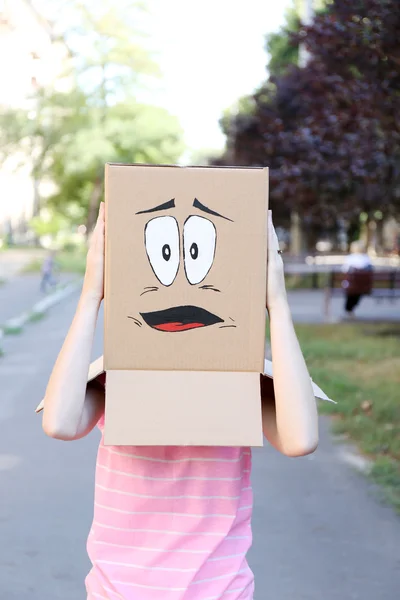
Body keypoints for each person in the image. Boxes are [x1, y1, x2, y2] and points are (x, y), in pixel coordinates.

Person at [41, 203, 319, 600]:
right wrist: (92, 294)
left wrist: (276, 301)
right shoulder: (114, 379)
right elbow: (59, 423)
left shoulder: (242, 384)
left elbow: (300, 440)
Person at [342, 240, 373, 317]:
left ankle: (348, 309)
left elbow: (344, 270)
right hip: (364, 286)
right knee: (357, 290)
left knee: (351, 289)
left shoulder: (350, 258)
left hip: (351, 285)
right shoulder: (367, 259)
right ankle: (350, 309)